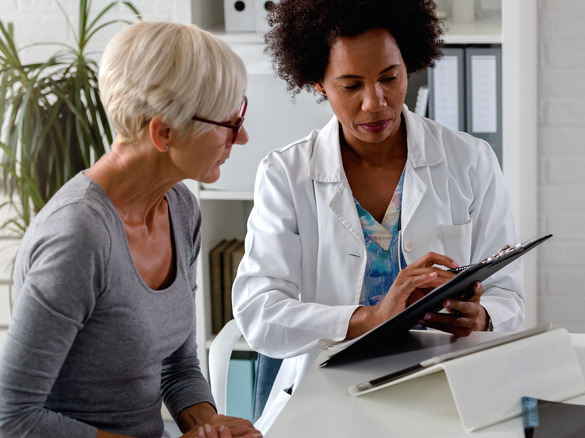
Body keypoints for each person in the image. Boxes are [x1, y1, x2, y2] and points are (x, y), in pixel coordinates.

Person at [232, 0, 525, 432]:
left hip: (447, 390)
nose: (376, 103)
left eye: (390, 77)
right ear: (318, 83)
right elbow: (259, 313)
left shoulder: (471, 161)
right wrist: (367, 318)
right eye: (351, 85)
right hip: (327, 396)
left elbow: (509, 296)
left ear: (410, 63)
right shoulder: (285, 175)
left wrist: (482, 317)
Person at [0, 21, 262, 438]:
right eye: (229, 123)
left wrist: (209, 425)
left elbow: (177, 364)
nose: (243, 137)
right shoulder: (78, 236)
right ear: (164, 132)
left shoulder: (180, 209)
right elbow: (12, 418)